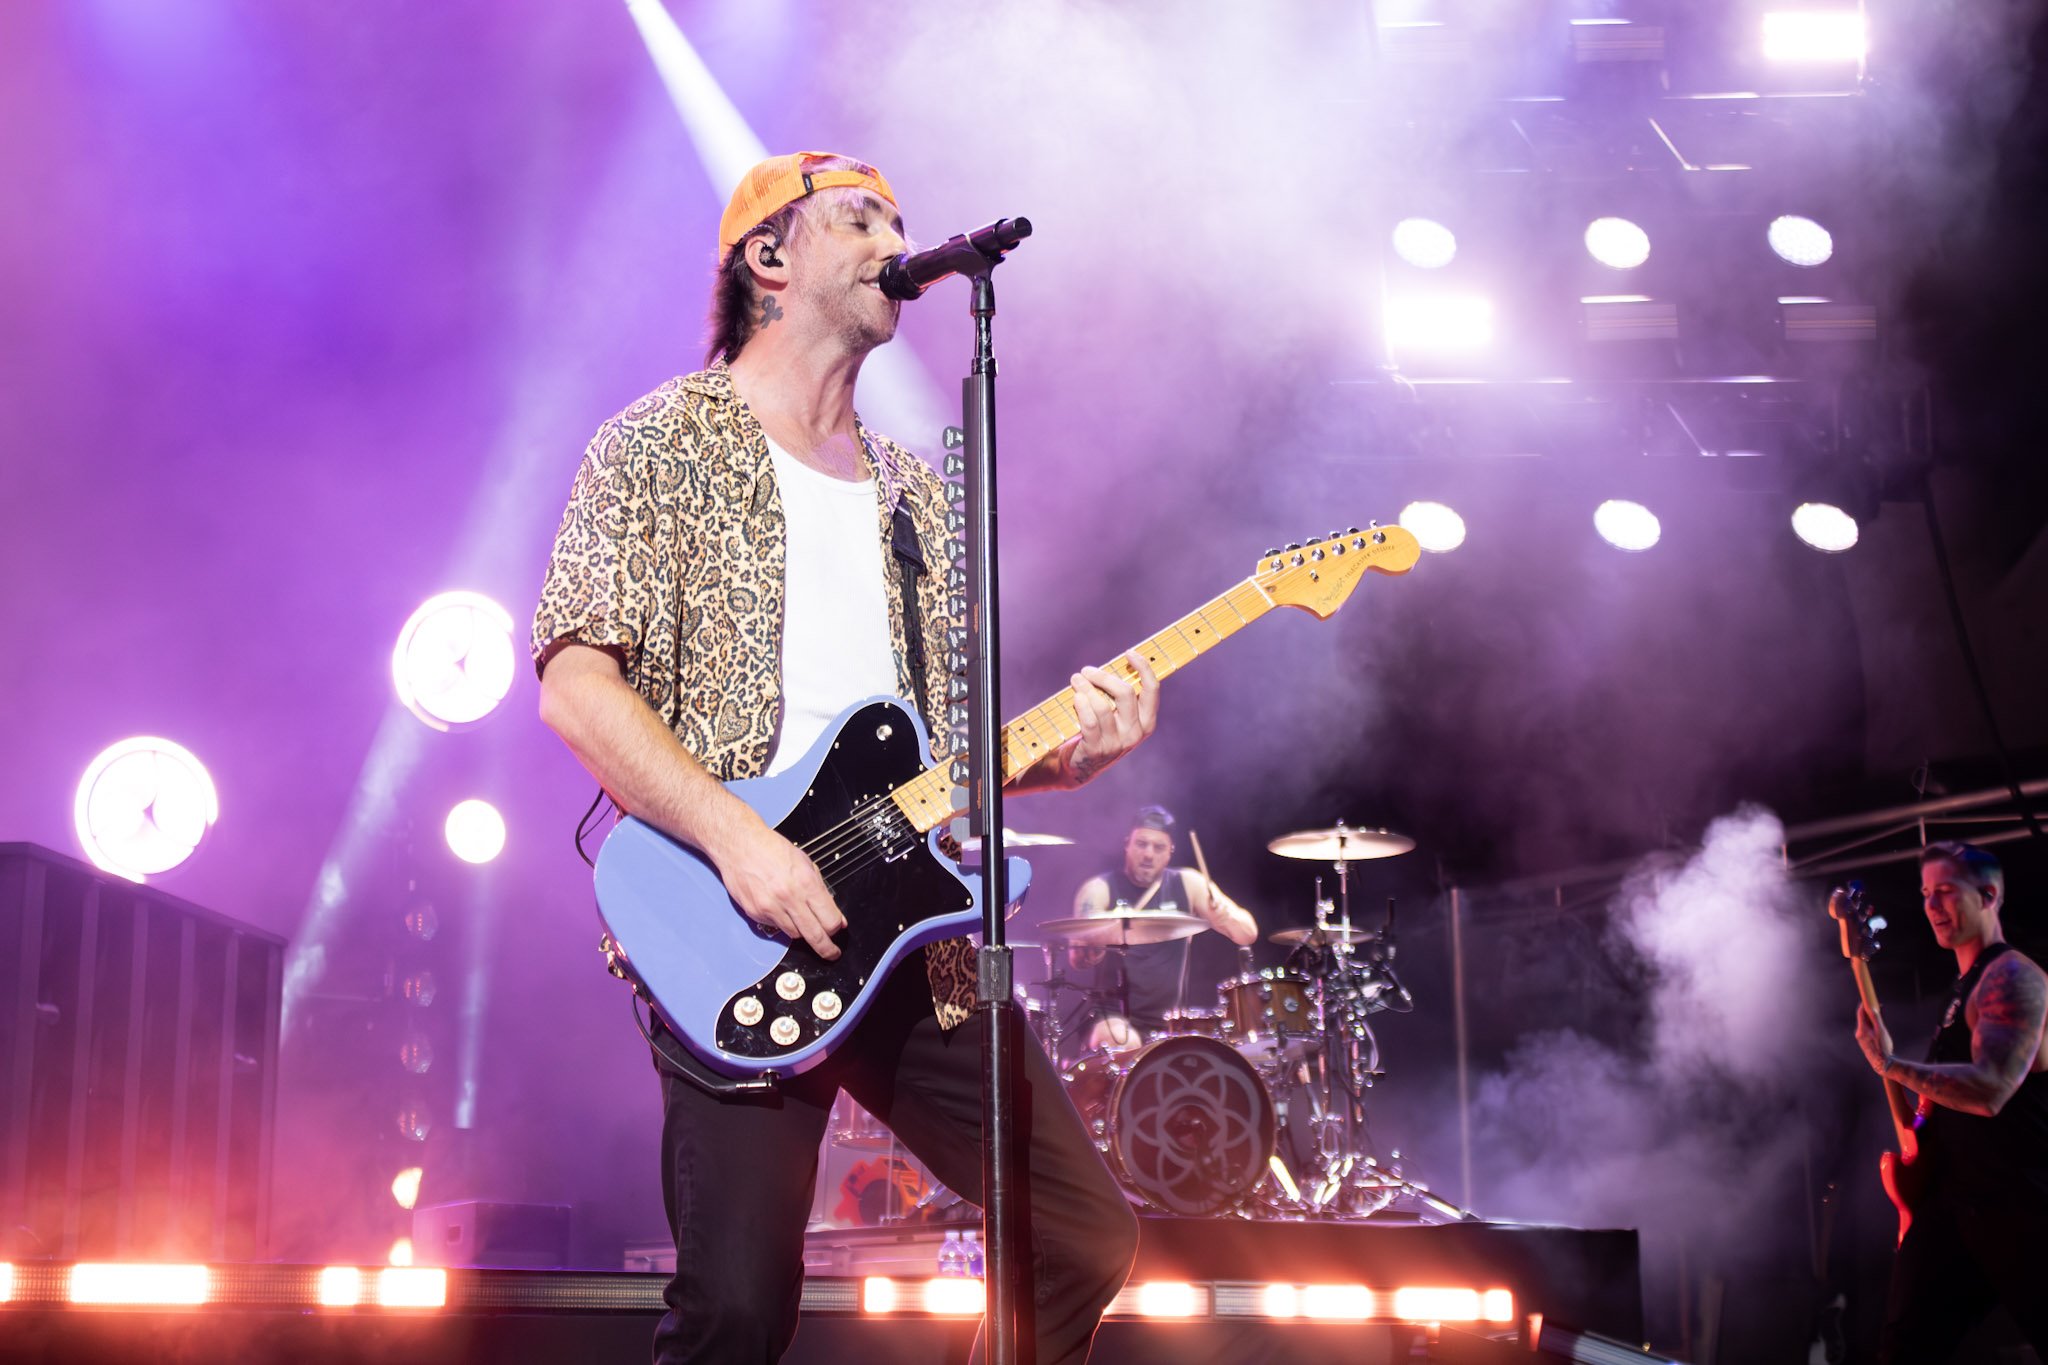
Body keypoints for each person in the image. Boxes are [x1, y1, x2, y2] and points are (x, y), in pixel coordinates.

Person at [532, 151, 1152, 1365]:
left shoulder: (918, 497)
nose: (893, 241)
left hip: (912, 928)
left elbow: (932, 756)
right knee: (735, 1313)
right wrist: (740, 844)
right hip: (733, 916)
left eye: (901, 222)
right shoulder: (657, 445)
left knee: (1077, 1235)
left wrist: (1056, 762)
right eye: (860, 219)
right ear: (768, 258)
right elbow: (573, 683)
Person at [1854, 840, 2048, 1362]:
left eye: (1944, 891)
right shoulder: (1960, 992)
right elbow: (1935, 1115)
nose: (1931, 906)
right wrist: (1906, 1102)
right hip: (1955, 1212)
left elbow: (1989, 1092)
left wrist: (1893, 1066)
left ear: (1988, 895)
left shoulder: (2013, 976)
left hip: (2021, 1210)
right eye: (1924, 893)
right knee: (1903, 1348)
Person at [1061, 805, 1258, 1056]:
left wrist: (1224, 916)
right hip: (1110, 1017)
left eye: (1158, 847)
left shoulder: (1189, 883)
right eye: (1141, 844)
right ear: (1127, 844)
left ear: (1170, 852)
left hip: (1172, 1023)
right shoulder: (1099, 889)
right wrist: (1096, 940)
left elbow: (1247, 934)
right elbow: (1078, 959)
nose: (1148, 854)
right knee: (1125, 1044)